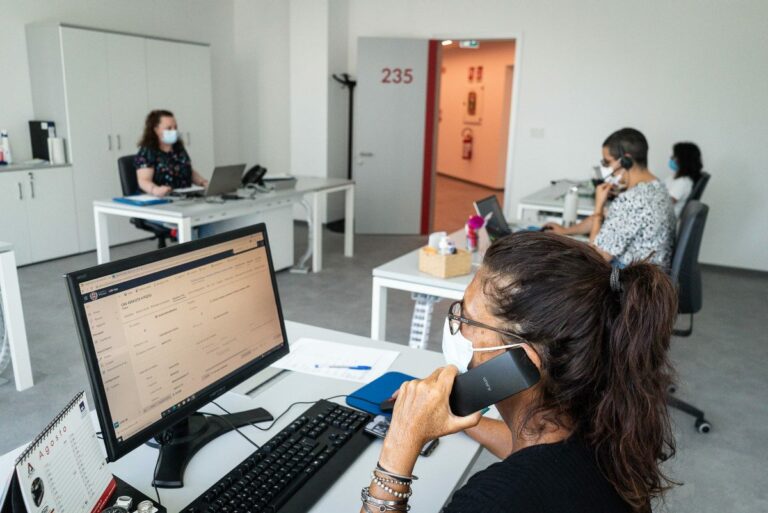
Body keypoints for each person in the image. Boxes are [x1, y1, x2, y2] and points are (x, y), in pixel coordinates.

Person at [358, 232, 678, 513]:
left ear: (520, 361)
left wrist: (400, 446)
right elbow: (538, 456)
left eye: (467, 319)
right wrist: (454, 412)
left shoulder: (497, 500)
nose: (457, 328)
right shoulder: (606, 426)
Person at [545, 128, 676, 269]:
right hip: (651, 278)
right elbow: (609, 219)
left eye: (607, 162)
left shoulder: (632, 200)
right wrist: (565, 232)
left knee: (556, 264)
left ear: (626, 161)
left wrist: (598, 206)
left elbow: (596, 257)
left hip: (631, 283)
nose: (605, 168)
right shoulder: (657, 187)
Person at [135, 110, 208, 197]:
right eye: (169, 128)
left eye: (175, 128)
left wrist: (203, 182)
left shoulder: (178, 148)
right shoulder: (147, 152)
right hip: (161, 200)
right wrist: (155, 190)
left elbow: (188, 170)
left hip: (185, 197)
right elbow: (144, 180)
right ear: (156, 130)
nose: (174, 131)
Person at [665, 142, 703, 217]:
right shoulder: (674, 177)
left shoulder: (683, 182)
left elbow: (664, 203)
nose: (671, 158)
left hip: (664, 221)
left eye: (674, 156)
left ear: (684, 160)